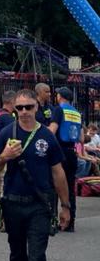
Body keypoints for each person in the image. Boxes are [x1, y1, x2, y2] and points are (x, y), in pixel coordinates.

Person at [0, 89, 71, 261]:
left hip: (39, 204)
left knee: (36, 257)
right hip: (13, 203)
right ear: (15, 109)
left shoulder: (46, 136)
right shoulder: (7, 132)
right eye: (20, 107)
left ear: (36, 107)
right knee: (17, 256)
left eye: (29, 107)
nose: (24, 111)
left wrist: (66, 206)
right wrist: (5, 156)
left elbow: (58, 173)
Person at [53, 87, 82, 232]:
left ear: (59, 96)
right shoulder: (76, 113)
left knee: (54, 185)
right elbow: (81, 138)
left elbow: (52, 130)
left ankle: (52, 220)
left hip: (59, 151)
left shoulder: (59, 110)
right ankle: (71, 222)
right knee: (70, 187)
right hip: (72, 152)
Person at [0, 91, 17, 230]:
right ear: (12, 101)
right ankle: (4, 221)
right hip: (4, 156)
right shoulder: (9, 118)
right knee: (6, 190)